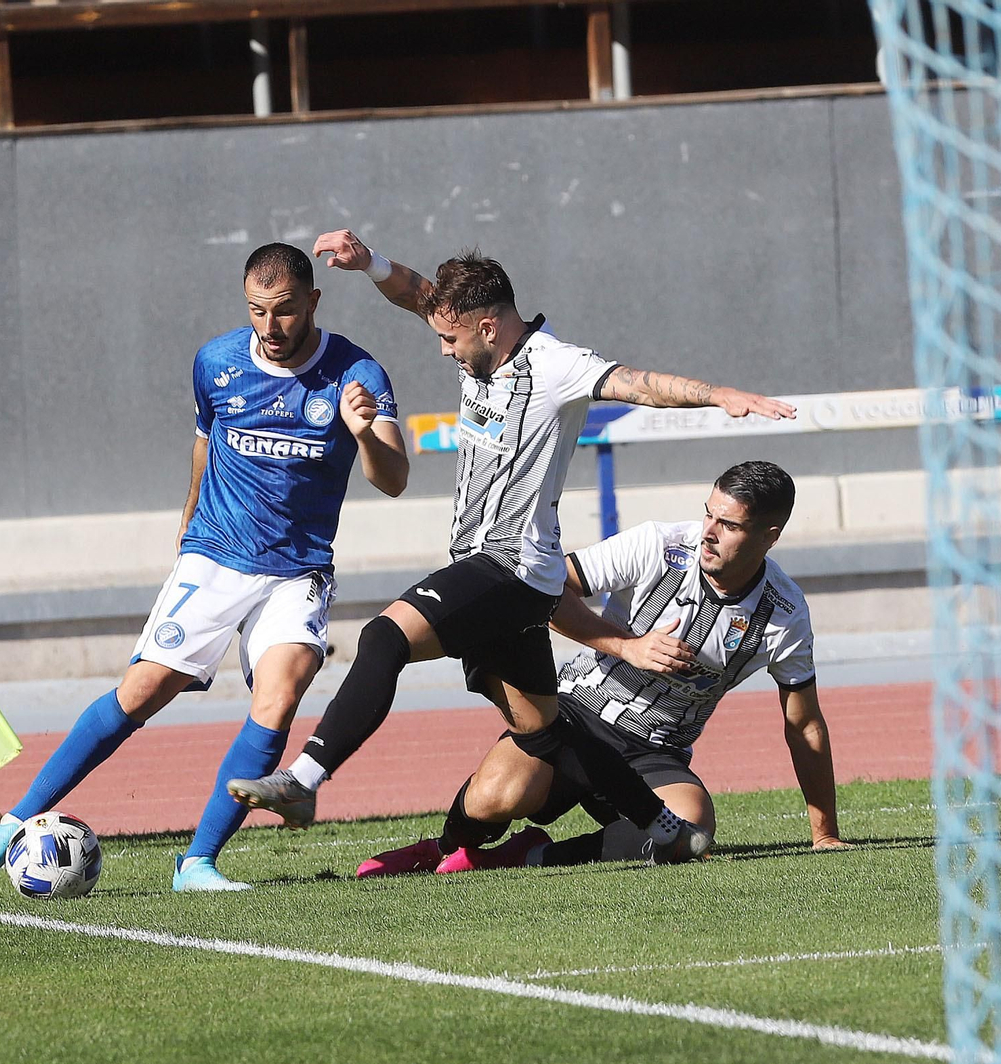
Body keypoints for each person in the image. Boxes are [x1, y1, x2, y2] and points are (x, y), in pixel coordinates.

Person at [228, 229, 798, 863]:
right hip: (499, 574)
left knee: (383, 638)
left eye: (451, 339)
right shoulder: (476, 344)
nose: (443, 351)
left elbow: (637, 382)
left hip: (511, 568)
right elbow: (419, 295)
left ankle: (305, 780)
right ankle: (660, 823)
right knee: (544, 730)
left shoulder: (555, 364)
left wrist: (720, 396)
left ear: (491, 326)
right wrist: (371, 265)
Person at [0, 242, 410, 894]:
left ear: (312, 301)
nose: (270, 328)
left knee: (281, 697)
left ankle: (197, 863)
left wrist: (363, 432)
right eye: (257, 311)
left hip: (296, 570)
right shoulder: (217, 361)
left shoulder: (356, 372)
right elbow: (206, 440)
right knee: (141, 693)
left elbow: (393, 479)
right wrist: (190, 514)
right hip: (216, 554)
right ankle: (11, 826)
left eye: (283, 312)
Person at [357, 461, 847, 877]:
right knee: (495, 797)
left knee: (692, 833)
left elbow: (803, 723)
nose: (709, 533)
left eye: (730, 525)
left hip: (657, 752)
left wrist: (824, 834)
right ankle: (443, 849)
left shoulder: (784, 611)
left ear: (769, 535)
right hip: (574, 720)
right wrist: (627, 646)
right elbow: (542, 589)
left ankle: (532, 855)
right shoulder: (659, 545)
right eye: (708, 514)